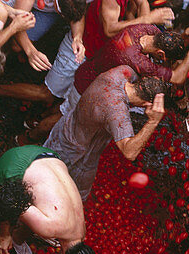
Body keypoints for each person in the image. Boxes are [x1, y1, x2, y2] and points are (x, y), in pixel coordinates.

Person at [44, 69, 169, 202]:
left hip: (67, 126)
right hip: (76, 151)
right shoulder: (116, 109)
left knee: (44, 161)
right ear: (147, 104)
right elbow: (130, 152)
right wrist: (153, 121)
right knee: (58, 185)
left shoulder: (121, 72)